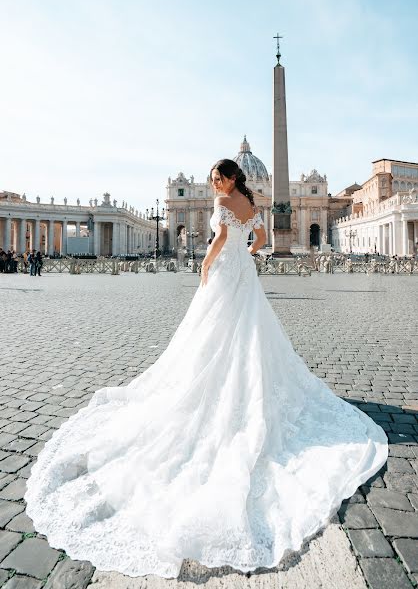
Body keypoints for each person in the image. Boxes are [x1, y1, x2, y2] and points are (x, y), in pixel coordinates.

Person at [24, 159, 388, 579]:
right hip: (244, 274)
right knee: (247, 335)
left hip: (224, 272)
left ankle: (217, 389)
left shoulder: (221, 200)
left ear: (231, 178)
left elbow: (216, 238)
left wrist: (205, 262)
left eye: (219, 176)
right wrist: (247, 251)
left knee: (211, 335)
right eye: (213, 178)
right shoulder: (251, 203)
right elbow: (263, 235)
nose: (214, 182)